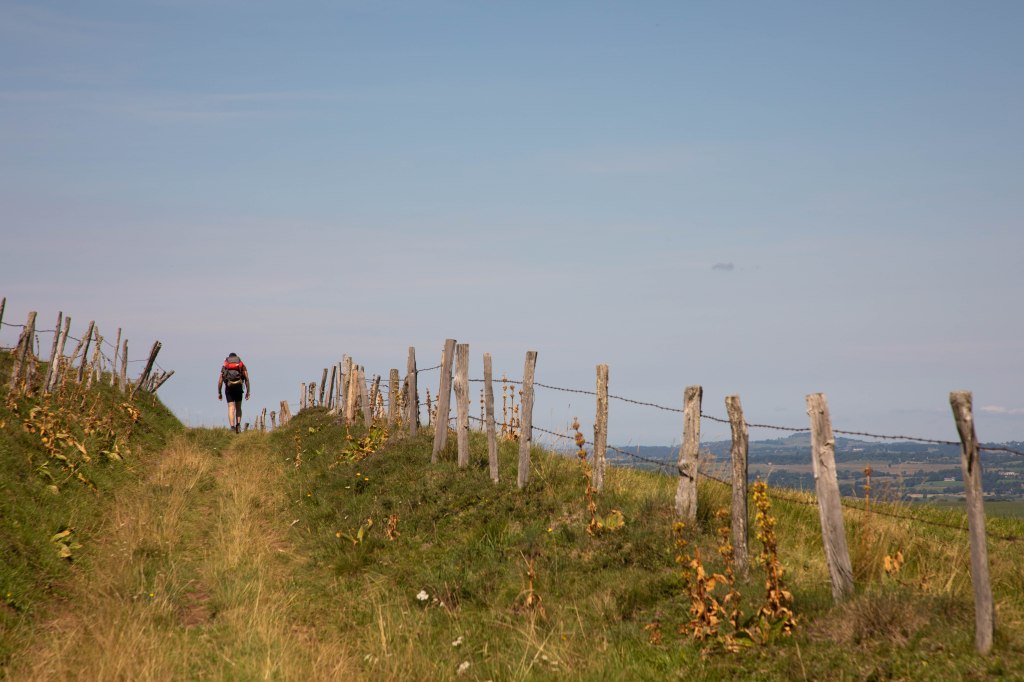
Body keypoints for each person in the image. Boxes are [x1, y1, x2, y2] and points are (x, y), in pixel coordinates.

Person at [217, 352, 250, 433]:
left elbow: (220, 381)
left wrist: (219, 393)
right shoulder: (241, 365)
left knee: (231, 407)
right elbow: (247, 379)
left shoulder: (225, 365)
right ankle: (238, 425)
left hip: (229, 388)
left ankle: (232, 427)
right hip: (238, 387)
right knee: (238, 407)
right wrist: (248, 392)